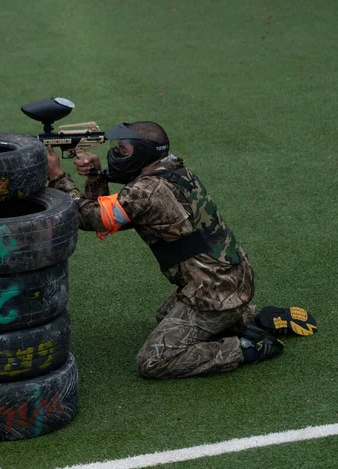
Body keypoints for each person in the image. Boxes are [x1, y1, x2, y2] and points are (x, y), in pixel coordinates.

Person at [46, 121, 317, 379]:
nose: (115, 154)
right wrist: (95, 174)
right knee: (165, 315)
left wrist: (58, 177)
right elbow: (108, 210)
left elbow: (90, 218)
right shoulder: (172, 170)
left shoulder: (148, 191)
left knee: (152, 361)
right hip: (227, 277)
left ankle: (246, 348)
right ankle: (253, 318)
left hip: (213, 291)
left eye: (123, 150)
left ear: (143, 153)